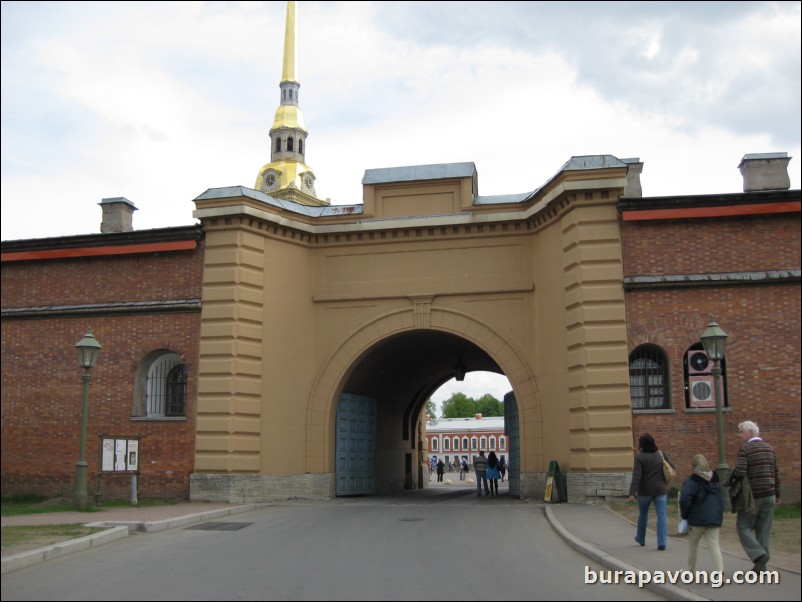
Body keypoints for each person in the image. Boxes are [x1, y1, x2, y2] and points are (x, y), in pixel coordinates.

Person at [730, 420, 780, 572]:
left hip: (753, 495)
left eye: (741, 432)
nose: (739, 436)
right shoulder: (770, 449)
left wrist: (731, 476)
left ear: (750, 433)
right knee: (763, 529)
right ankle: (761, 566)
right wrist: (777, 494)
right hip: (770, 494)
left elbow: (740, 472)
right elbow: (776, 473)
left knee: (743, 526)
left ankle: (758, 555)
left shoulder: (745, 450)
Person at [628, 433, 674, 550]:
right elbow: (672, 466)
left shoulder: (640, 457)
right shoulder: (661, 454)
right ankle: (662, 542)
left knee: (643, 514)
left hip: (645, 491)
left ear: (641, 444)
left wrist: (632, 492)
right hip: (661, 489)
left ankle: (641, 538)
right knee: (661, 515)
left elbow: (637, 476)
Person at [679, 454, 724, 573]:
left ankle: (691, 571)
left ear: (694, 466)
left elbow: (685, 499)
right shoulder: (715, 478)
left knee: (693, 545)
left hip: (697, 519)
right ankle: (720, 573)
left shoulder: (692, 480)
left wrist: (685, 515)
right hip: (714, 518)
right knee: (714, 545)